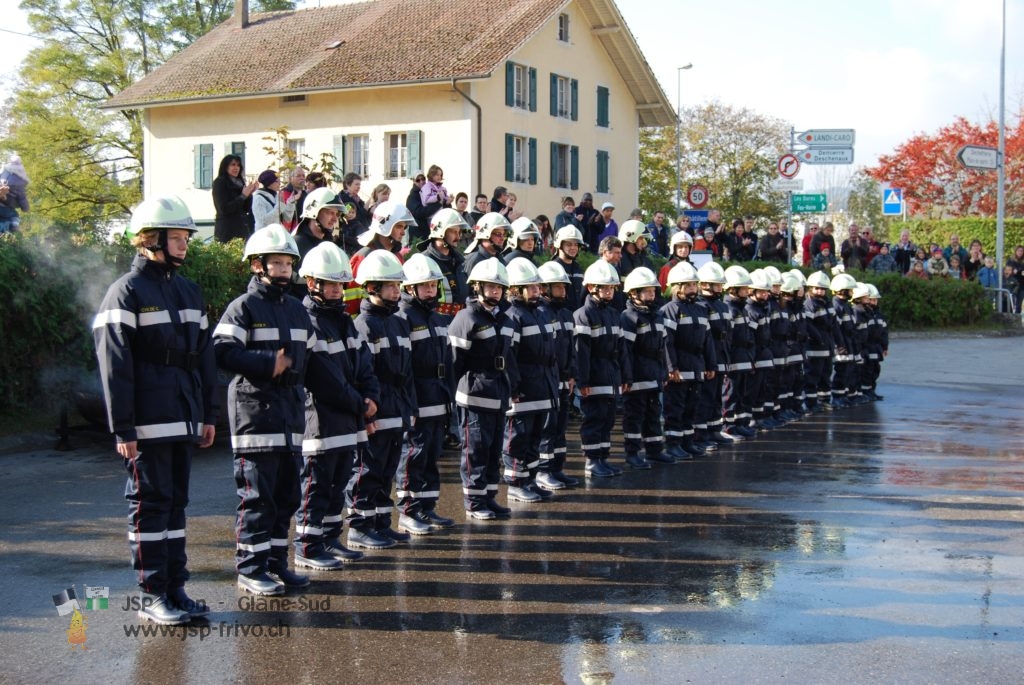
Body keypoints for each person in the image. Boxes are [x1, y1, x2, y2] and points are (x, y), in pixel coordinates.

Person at [93, 196, 217, 624]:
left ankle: (175, 587)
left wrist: (208, 415)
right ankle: (151, 594)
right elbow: (115, 366)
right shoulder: (125, 292)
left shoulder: (188, 289)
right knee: (150, 504)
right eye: (177, 237)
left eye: (185, 237)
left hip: (183, 414)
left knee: (176, 504)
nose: (184, 245)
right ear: (149, 239)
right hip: (146, 420)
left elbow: (204, 358)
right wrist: (122, 427)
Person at [214, 224, 314, 596]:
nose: (284, 269)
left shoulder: (298, 311)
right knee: (258, 497)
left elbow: (313, 363)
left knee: (287, 497)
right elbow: (222, 352)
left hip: (290, 418)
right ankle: (250, 568)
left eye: (288, 262)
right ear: (257, 265)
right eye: (276, 263)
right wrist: (265, 362)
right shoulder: (243, 308)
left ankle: (276, 564)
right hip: (255, 418)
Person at [292, 242, 377, 571]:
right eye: (332, 284)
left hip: (348, 418)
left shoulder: (344, 321)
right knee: (316, 483)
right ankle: (308, 546)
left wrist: (371, 397)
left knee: (339, 480)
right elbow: (324, 378)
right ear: (312, 283)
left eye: (341, 284)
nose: (338, 290)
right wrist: (361, 404)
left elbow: (364, 364)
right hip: (320, 419)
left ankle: (329, 538)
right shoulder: (308, 321)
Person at [349, 250, 417, 545]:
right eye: (390, 286)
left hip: (398, 406)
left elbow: (408, 371)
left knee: (388, 469)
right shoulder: (363, 325)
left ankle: (380, 522)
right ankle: (359, 527)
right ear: (372, 287)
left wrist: (410, 407)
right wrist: (367, 415)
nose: (396, 291)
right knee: (367, 469)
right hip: (377, 410)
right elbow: (362, 375)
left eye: (398, 286)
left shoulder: (398, 322)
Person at [449, 258, 516, 520]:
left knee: (492, 450)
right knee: (474, 450)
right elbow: (454, 361)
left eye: (499, 287)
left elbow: (510, 358)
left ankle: (488, 496)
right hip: (474, 396)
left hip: (498, 394)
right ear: (478, 287)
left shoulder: (505, 318)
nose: (496, 291)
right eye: (491, 287)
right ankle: (474, 501)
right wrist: (452, 397)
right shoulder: (466, 318)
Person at [395, 253, 456, 533]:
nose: (431, 290)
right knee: (413, 456)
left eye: (433, 285)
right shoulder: (404, 317)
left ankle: (427, 507)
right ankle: (408, 511)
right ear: (411, 288)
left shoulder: (438, 318)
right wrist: (410, 404)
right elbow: (404, 367)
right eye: (425, 286)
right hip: (418, 398)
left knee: (431, 455)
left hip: (438, 397)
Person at [501, 258, 558, 502]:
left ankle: (530, 479)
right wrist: (513, 387)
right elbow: (509, 356)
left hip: (542, 385)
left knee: (535, 437)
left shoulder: (541, 314)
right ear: (516, 289)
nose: (538, 291)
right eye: (532, 287)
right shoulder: (513, 316)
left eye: (538, 287)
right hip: (523, 389)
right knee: (517, 438)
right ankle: (515, 483)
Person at [574, 259, 625, 478]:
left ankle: (603, 458)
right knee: (594, 418)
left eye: (612, 288)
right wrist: (583, 382)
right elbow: (581, 353)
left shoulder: (614, 314)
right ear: (592, 287)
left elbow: (621, 350)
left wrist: (623, 376)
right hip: (594, 375)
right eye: (605, 287)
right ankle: (592, 461)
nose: (609, 292)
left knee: (608, 419)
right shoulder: (583, 314)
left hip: (611, 373)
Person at [661, 261, 716, 458]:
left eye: (694, 284)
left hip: (697, 365)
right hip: (679, 367)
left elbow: (708, 340)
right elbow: (667, 342)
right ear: (677, 287)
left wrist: (710, 364)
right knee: (675, 408)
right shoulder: (670, 310)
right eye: (689, 285)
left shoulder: (701, 309)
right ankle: (673, 444)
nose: (693, 288)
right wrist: (671, 367)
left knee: (692, 406)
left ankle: (687, 441)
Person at [535, 261, 578, 490]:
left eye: (564, 287)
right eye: (558, 287)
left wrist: (571, 375)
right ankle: (543, 470)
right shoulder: (540, 314)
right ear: (544, 288)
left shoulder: (567, 314)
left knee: (561, 426)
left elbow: (571, 348)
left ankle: (557, 468)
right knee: (547, 426)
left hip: (563, 378)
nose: (563, 292)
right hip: (547, 379)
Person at [619, 267, 668, 469]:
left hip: (654, 374)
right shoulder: (628, 317)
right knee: (634, 416)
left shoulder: (657, 316)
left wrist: (663, 372)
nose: (652, 295)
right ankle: (632, 453)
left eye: (653, 291)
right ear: (634, 293)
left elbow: (662, 348)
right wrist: (627, 378)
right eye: (647, 291)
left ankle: (654, 451)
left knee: (653, 414)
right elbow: (626, 352)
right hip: (637, 375)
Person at [346, 200, 413, 315]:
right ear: (384, 226)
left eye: (404, 227)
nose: (403, 232)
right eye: (399, 226)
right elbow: (350, 303)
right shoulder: (362, 258)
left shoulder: (397, 257)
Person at [695, 262, 735, 446]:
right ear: (705, 285)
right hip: (708, 359)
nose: (720, 288)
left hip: (721, 356)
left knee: (716, 397)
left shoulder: (722, 305)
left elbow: (727, 334)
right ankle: (701, 434)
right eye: (717, 284)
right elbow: (704, 338)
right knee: (705, 398)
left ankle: (714, 430)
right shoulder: (700, 305)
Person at [721, 266, 756, 439]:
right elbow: (728, 340)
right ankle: (727, 426)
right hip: (734, 360)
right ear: (733, 289)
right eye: (743, 288)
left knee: (741, 393)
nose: (747, 291)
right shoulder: (730, 309)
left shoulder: (741, 308)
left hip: (743, 358)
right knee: (730, 394)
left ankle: (740, 423)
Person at [417, 208, 470, 318]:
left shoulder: (460, 261)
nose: (458, 237)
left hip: (460, 321)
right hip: (436, 322)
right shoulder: (424, 261)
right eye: (453, 232)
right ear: (440, 232)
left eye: (459, 232)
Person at [802, 271, 836, 413]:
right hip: (814, 347)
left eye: (822, 289)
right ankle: (811, 403)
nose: (820, 291)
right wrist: (818, 338)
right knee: (813, 375)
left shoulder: (827, 303)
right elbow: (808, 325)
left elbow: (833, 324)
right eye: (817, 288)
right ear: (811, 288)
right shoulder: (810, 304)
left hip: (827, 347)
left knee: (826, 374)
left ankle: (824, 401)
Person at [829, 273, 858, 408]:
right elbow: (836, 329)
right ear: (843, 290)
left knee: (848, 370)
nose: (852, 292)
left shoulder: (845, 305)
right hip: (841, 344)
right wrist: (839, 345)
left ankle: (844, 395)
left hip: (848, 342)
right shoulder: (837, 305)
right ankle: (837, 397)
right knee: (841, 370)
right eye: (850, 290)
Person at [212, 154, 257, 242]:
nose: (236, 168)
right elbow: (223, 209)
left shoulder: (240, 183)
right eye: (233, 165)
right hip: (227, 230)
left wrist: (249, 195)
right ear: (225, 167)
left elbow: (246, 209)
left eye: (238, 165)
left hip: (242, 229)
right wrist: (243, 196)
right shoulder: (220, 182)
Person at [293, 187, 346, 261]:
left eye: (337, 214)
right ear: (314, 212)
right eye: (330, 213)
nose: (335, 219)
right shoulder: (297, 245)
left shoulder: (329, 242)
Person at [551, 226, 587, 311]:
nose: (573, 248)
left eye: (576, 245)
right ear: (559, 245)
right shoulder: (553, 268)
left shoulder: (578, 269)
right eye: (569, 244)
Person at [337, 172, 371, 246]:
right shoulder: (343, 199)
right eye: (356, 184)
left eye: (359, 184)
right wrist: (370, 200)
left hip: (361, 235)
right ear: (348, 184)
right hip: (352, 238)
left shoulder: (356, 198)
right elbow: (347, 214)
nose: (359, 187)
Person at [0, 154, 30, 233]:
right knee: (14, 216)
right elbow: (22, 199)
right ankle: (14, 226)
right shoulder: (20, 184)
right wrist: (26, 208)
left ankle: (3, 228)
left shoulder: (3, 173)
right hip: (7, 207)